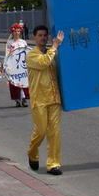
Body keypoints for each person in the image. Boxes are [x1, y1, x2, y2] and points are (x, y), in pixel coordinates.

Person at [27, 25, 65, 176]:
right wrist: (55, 46)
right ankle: (32, 152)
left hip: (54, 98)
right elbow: (44, 62)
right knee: (41, 131)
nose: (43, 38)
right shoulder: (31, 55)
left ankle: (53, 164)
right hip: (39, 99)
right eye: (40, 35)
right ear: (34, 37)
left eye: (45, 35)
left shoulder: (53, 52)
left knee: (54, 132)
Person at [6, 23, 30, 107]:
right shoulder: (10, 43)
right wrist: (7, 65)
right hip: (13, 64)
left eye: (18, 31)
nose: (17, 33)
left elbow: (27, 52)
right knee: (15, 83)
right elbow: (7, 54)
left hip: (22, 64)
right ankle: (17, 99)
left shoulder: (23, 42)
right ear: (12, 32)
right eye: (15, 31)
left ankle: (24, 99)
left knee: (23, 81)